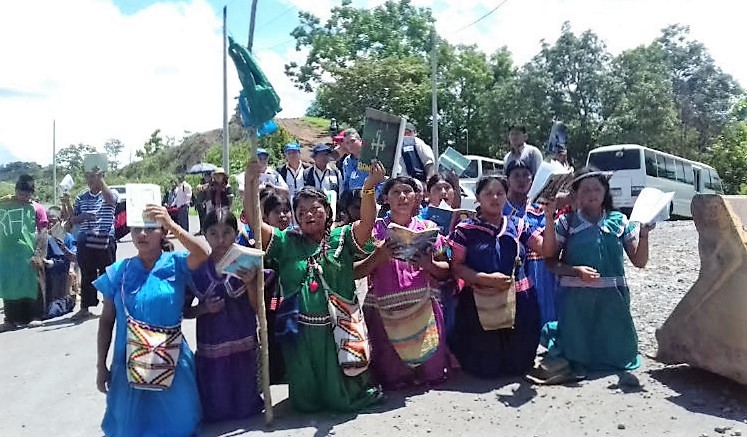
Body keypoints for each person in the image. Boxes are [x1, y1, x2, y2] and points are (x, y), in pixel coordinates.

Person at [243, 158, 386, 413]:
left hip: (338, 328)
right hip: (299, 332)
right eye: (301, 211)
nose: (308, 214)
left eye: (315, 209)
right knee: (306, 401)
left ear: (327, 211)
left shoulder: (340, 237)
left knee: (341, 396)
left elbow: (367, 223)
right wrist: (250, 182)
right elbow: (256, 225)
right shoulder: (287, 242)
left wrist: (369, 187)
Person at [94, 204, 208, 437]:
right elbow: (106, 322)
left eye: (150, 228)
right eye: (136, 229)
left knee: (179, 426)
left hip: (172, 363)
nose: (142, 234)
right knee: (130, 427)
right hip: (128, 366)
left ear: (163, 232)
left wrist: (172, 224)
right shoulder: (118, 272)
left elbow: (204, 253)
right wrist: (100, 366)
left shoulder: (176, 263)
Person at [536, 167, 653, 382]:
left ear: (605, 192)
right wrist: (575, 271)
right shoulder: (567, 222)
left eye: (597, 189)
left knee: (620, 354)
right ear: (576, 194)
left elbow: (639, 261)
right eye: (586, 189)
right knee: (576, 350)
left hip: (612, 300)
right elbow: (550, 260)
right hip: (575, 302)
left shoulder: (619, 220)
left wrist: (644, 234)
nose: (592, 194)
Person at [355, 176, 450, 389]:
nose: (402, 197)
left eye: (407, 191)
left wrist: (429, 264)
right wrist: (378, 258)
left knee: (430, 370)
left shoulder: (429, 228)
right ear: (386, 198)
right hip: (385, 307)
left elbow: (446, 270)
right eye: (396, 192)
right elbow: (356, 271)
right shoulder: (374, 231)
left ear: (417, 197)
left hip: (424, 305)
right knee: (392, 376)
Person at [448, 175, 545, 379]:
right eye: (488, 193)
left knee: (519, 364)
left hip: (520, 300)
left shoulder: (519, 225)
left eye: (500, 193)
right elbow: (456, 266)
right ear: (478, 198)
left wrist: (551, 216)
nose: (494, 197)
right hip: (480, 302)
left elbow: (547, 249)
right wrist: (484, 278)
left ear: (506, 196)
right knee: (485, 367)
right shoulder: (465, 230)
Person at [184, 208, 264, 423]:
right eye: (213, 233)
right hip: (212, 345)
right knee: (216, 409)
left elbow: (259, 309)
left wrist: (249, 284)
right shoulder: (197, 270)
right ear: (204, 234)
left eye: (227, 232)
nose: (220, 240)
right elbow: (184, 311)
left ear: (237, 233)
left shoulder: (249, 262)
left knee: (247, 407)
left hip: (243, 342)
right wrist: (204, 309)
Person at [503, 160, 559, 328]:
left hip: (542, 269)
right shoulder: (502, 208)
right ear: (508, 180)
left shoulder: (540, 208)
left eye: (526, 175)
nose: (521, 180)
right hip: (515, 271)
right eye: (516, 175)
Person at [0, 175, 49, 332]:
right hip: (7, 255)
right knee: (9, 286)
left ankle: (35, 316)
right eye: (21, 194)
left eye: (27, 195)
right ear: (15, 191)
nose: (23, 198)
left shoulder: (37, 208)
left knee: (31, 285)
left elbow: (43, 231)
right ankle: (10, 319)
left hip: (28, 254)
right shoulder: (5, 204)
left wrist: (39, 253)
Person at [70, 168, 118, 321]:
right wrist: (82, 216)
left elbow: (111, 200)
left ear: (102, 177)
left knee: (108, 273)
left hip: (105, 239)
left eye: (94, 177)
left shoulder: (111, 192)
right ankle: (85, 308)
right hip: (86, 240)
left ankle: (110, 305)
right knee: (87, 274)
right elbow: (72, 218)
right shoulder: (81, 196)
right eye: (88, 177)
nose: (91, 180)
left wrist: (100, 181)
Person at [44, 206, 77, 319]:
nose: (50, 225)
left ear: (60, 221)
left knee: (51, 311)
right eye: (47, 222)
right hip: (46, 275)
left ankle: (67, 301)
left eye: (53, 222)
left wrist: (62, 248)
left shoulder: (67, 237)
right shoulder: (42, 237)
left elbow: (73, 257)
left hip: (60, 272)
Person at [340, 129, 368, 194]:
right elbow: (346, 183)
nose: (350, 145)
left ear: (361, 140)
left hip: (368, 197)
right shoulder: (347, 161)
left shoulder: (370, 159)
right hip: (352, 200)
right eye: (347, 143)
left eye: (353, 141)